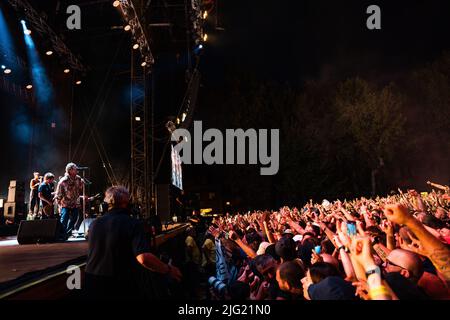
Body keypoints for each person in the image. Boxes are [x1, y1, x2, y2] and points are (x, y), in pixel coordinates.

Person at [85, 186, 182, 299]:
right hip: (118, 286)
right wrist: (168, 269)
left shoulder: (94, 224)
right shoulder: (133, 224)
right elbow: (143, 258)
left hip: (91, 283)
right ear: (127, 203)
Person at [55, 163, 84, 239]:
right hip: (65, 204)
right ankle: (61, 235)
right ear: (70, 170)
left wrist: (82, 184)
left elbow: (79, 189)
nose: (77, 169)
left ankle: (67, 233)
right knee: (64, 219)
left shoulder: (78, 178)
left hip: (74, 203)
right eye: (75, 168)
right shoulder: (63, 181)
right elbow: (59, 193)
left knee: (74, 218)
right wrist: (59, 205)